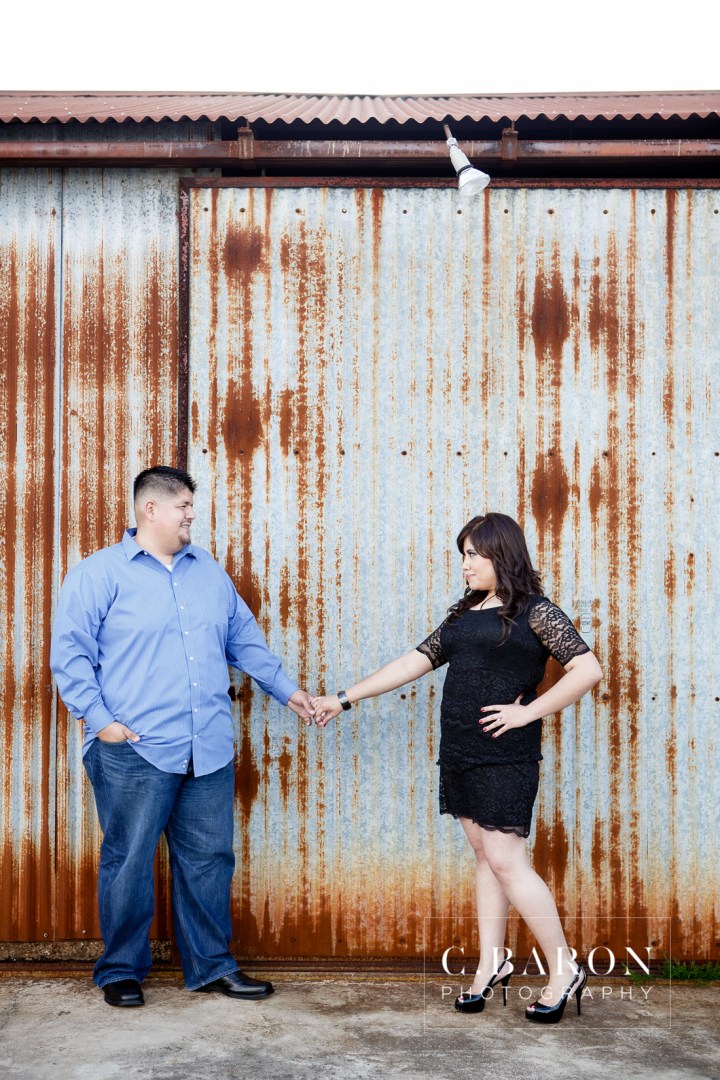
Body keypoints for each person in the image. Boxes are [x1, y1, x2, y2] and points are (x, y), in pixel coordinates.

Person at [312, 512, 602, 1025]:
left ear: (502, 556)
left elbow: (588, 668)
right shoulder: (464, 615)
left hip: (505, 754)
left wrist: (527, 712)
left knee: (507, 858)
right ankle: (494, 961)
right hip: (461, 751)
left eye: (474, 554)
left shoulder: (535, 611)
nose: (465, 564)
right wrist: (344, 698)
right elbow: (414, 661)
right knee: (485, 857)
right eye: (463, 554)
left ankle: (564, 969)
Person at [50, 466, 315, 1007]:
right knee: (128, 858)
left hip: (207, 747)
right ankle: (121, 969)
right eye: (183, 506)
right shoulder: (98, 575)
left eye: (191, 506)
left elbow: (246, 642)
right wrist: (103, 724)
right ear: (150, 509)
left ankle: (211, 968)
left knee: (209, 859)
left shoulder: (209, 574)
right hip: (135, 749)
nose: (191, 514)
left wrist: (289, 693)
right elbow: (70, 655)